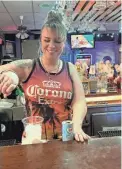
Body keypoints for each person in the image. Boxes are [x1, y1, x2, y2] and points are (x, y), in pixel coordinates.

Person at [0, 10, 90, 142]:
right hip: (34, 140)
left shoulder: (70, 68)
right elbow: (3, 70)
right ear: (41, 41)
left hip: (64, 140)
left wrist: (77, 126)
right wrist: (11, 75)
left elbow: (79, 101)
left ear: (63, 43)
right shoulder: (29, 66)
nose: (52, 45)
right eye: (47, 40)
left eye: (57, 41)